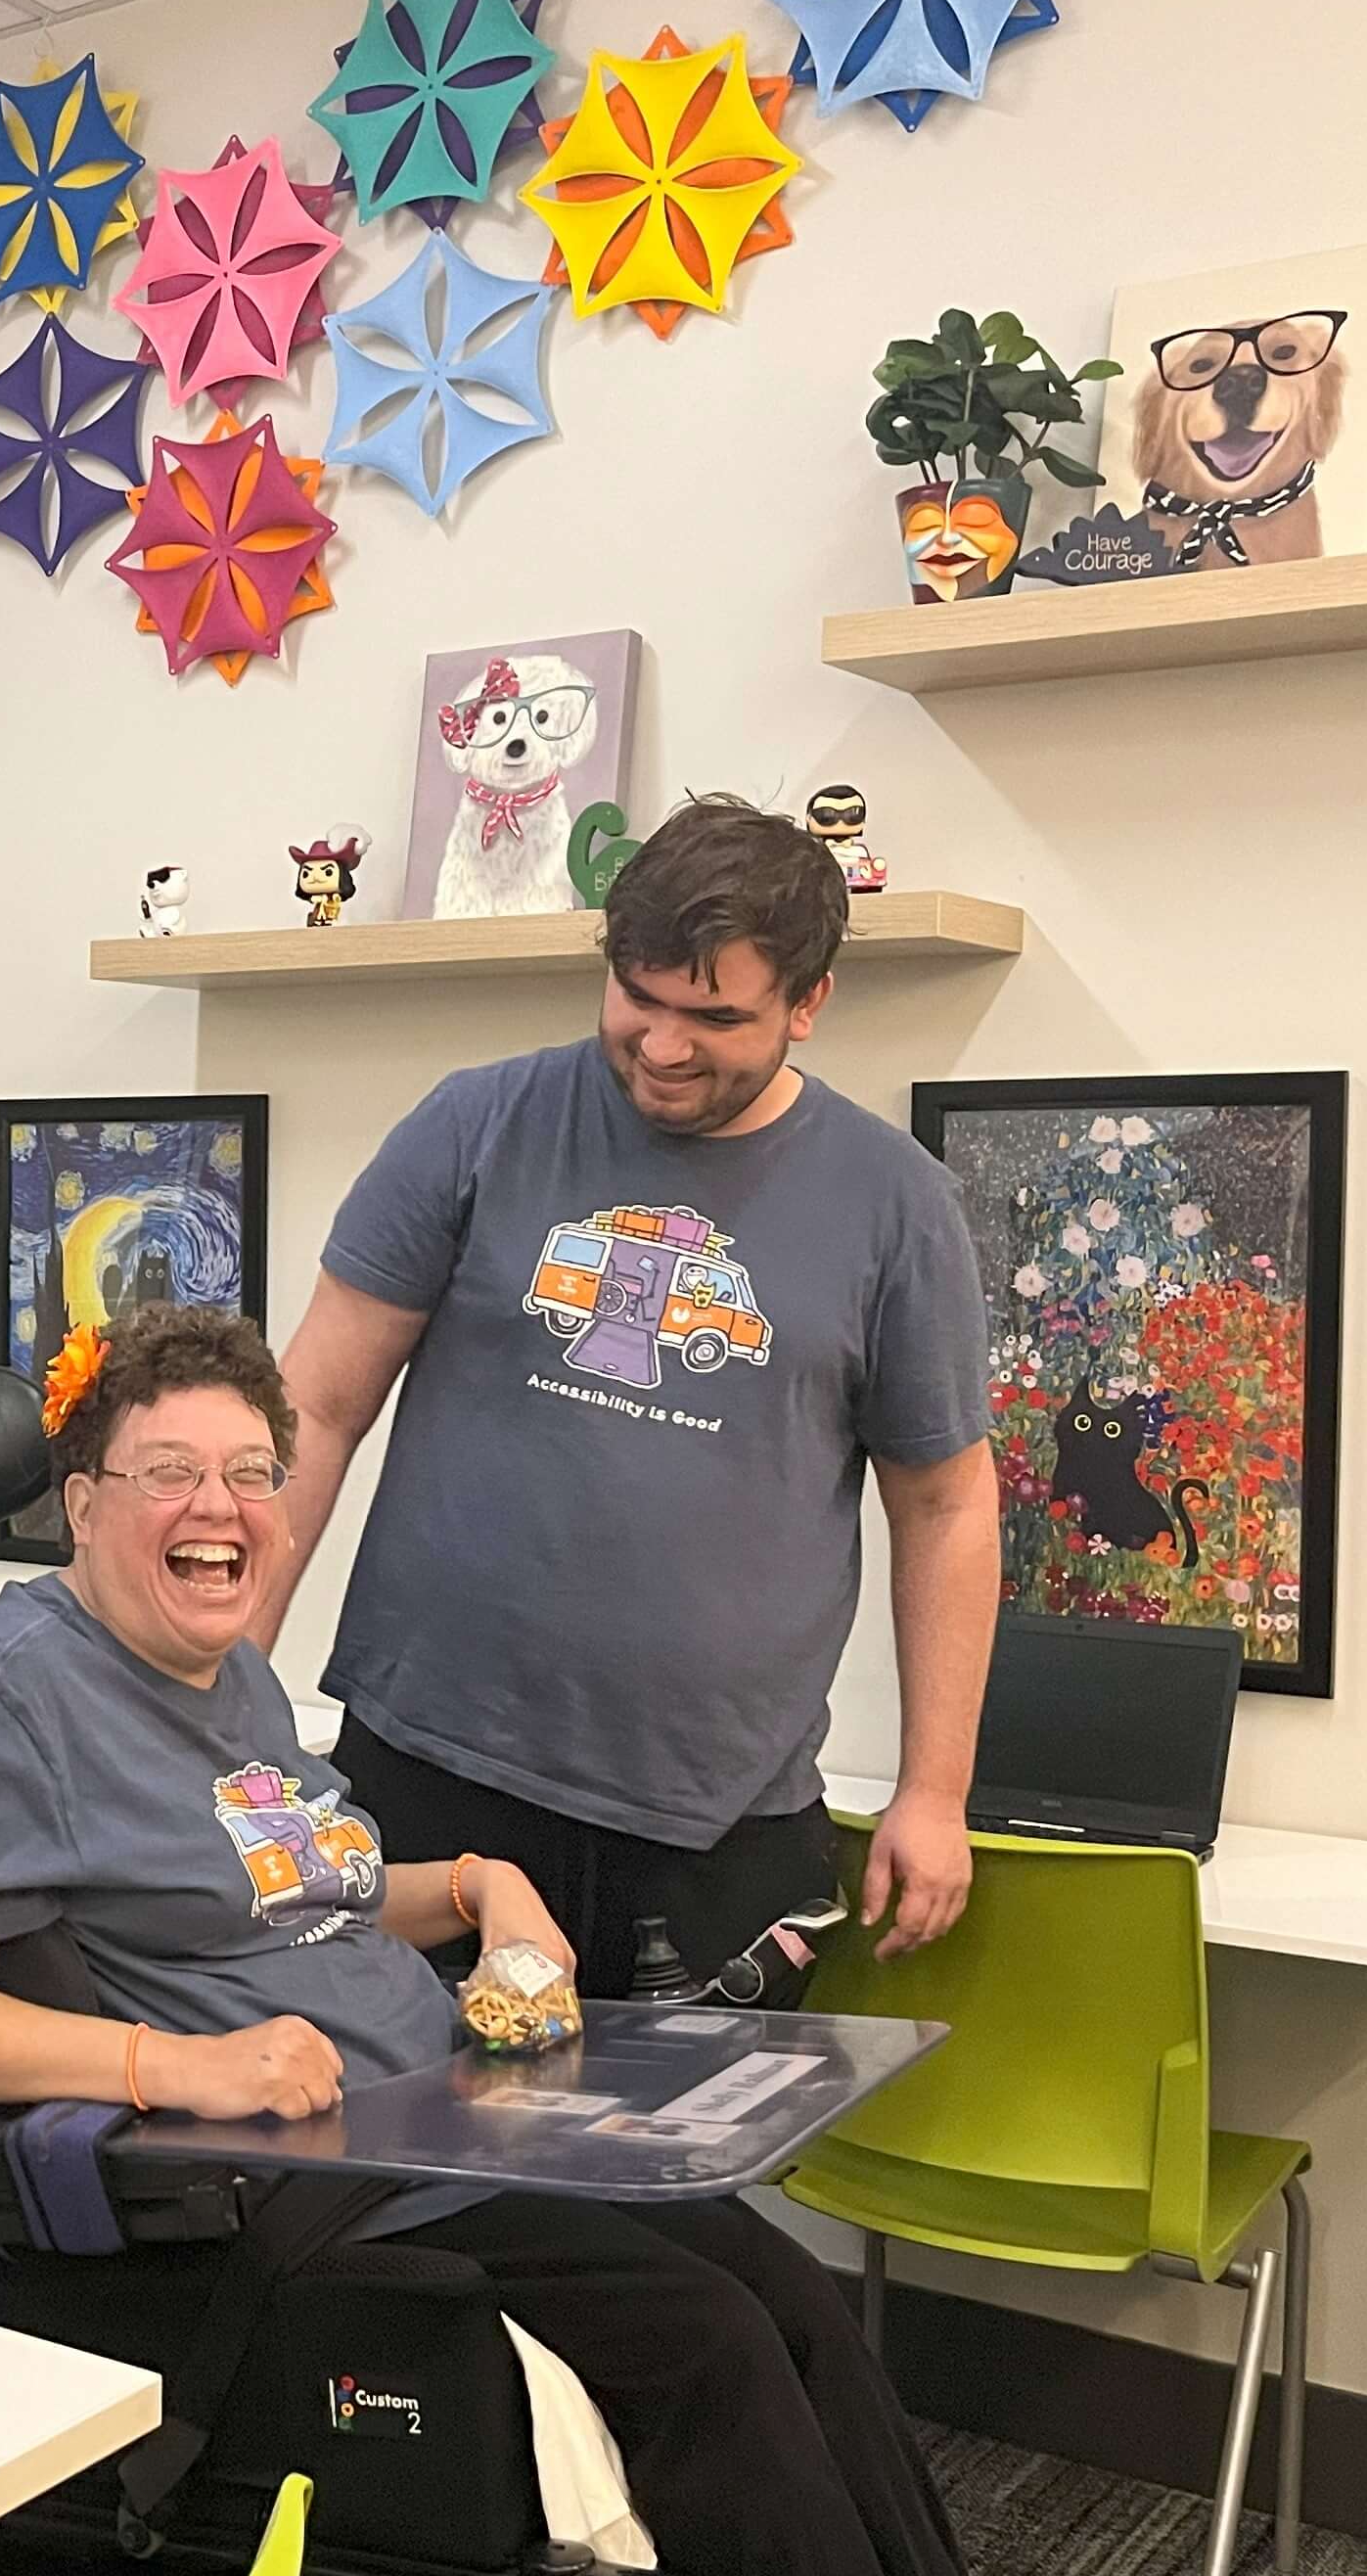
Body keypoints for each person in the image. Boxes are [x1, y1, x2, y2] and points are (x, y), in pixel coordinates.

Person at [0, 1306, 1098, 2576]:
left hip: (438, 2120)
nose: (221, 1509)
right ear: (83, 1501)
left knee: (789, 2295)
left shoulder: (223, 1680)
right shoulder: (1, 1696)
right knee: (707, 2344)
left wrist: (489, 1887)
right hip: (310, 2192)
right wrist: (181, 2064)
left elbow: (332, 1893)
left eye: (251, 1472)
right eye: (168, 1472)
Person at [251, 797, 1000, 1994]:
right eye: (637, 998)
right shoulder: (476, 1126)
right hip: (430, 1776)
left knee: (668, 2179)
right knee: (390, 2168)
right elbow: (312, 1415)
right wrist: (219, 1690)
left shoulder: (895, 1206)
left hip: (714, 1825)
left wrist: (935, 1789)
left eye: (715, 1015)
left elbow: (947, 1506)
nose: (661, 1045)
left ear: (808, 1004)